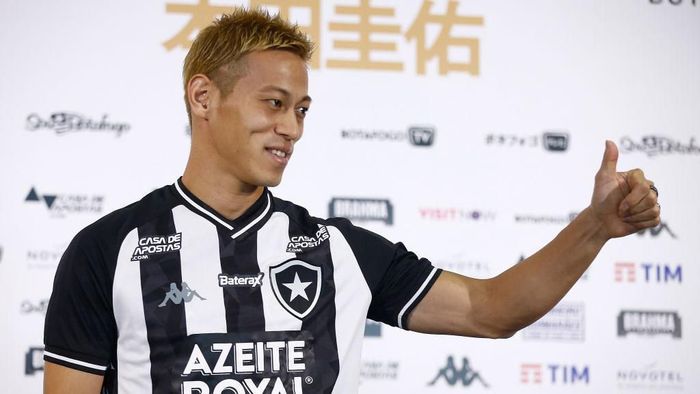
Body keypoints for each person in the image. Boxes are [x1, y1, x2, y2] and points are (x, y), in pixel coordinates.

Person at [43, 7, 661, 394]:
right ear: (203, 98)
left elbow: (490, 309)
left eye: (302, 109)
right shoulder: (107, 251)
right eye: (274, 103)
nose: (292, 128)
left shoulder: (337, 250)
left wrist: (597, 225)